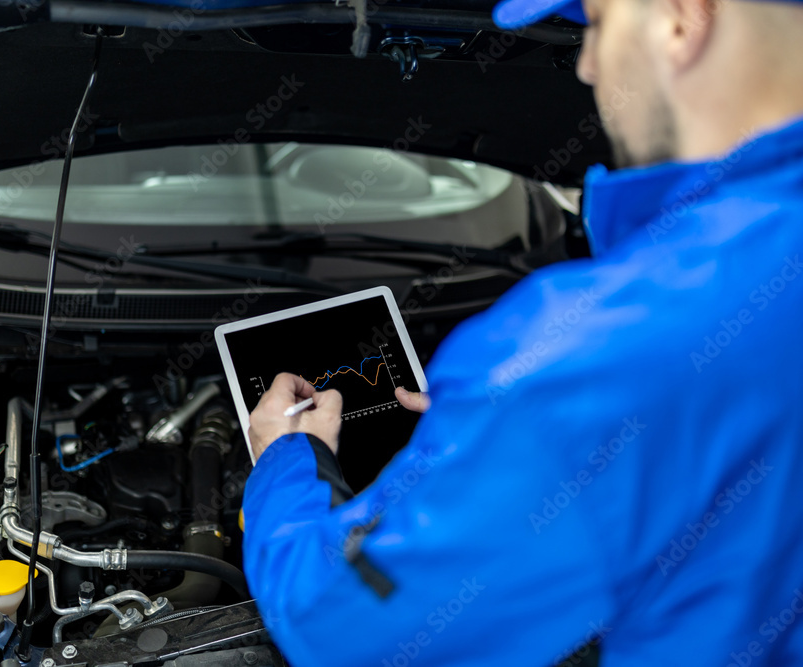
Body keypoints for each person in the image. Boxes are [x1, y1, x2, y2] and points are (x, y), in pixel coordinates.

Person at [241, 0, 803, 663]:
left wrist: (284, 457)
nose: (589, 66)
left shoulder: (592, 357)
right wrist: (504, 441)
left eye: (597, 26)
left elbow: (337, 627)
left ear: (681, 18)